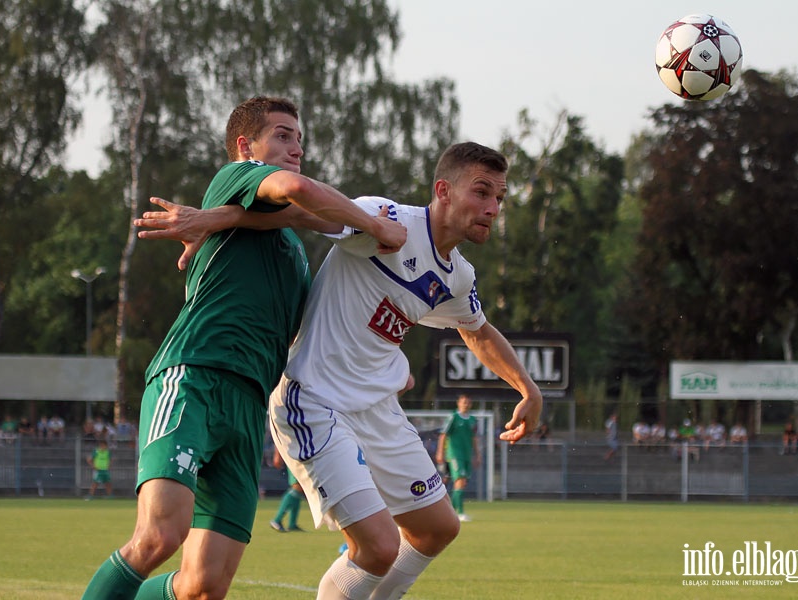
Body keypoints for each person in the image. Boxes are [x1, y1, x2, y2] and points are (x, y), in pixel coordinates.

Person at [144, 141, 543, 599]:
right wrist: (212, 219)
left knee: (437, 528)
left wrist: (528, 389)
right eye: (482, 192)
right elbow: (298, 213)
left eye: (499, 198)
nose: (493, 207)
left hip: (377, 410)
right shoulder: (384, 219)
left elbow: (479, 332)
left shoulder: (457, 276)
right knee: (377, 546)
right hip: (314, 400)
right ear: (443, 190)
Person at [81, 96, 406, 600]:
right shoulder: (235, 175)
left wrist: (385, 363)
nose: (295, 147)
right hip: (194, 377)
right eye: (282, 134)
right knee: (160, 535)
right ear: (244, 145)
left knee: (203, 586)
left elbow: (306, 217)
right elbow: (299, 192)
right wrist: (380, 225)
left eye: (299, 138)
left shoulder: (291, 249)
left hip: (250, 407)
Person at [435, 394, 481, 522]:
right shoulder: (453, 417)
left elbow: (474, 438)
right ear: (458, 403)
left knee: (461, 483)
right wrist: (440, 452)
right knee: (459, 481)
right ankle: (459, 512)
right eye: (463, 402)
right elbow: (443, 435)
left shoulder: (473, 420)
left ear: (470, 404)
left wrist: (477, 454)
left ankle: (452, 513)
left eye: (468, 402)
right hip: (455, 454)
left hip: (466, 454)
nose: (466, 404)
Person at [269, 446, 306, 533]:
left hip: (299, 454)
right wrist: (277, 454)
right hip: (294, 455)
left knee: (300, 488)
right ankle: (276, 520)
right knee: (297, 486)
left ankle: (292, 524)